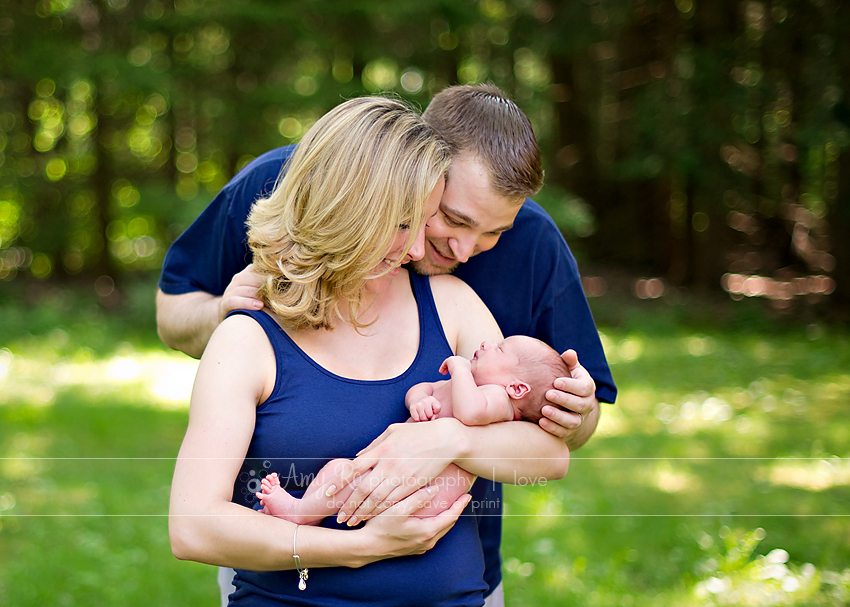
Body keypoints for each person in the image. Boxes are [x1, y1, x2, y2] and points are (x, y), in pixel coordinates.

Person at [158, 83, 617, 606]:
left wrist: (463, 438)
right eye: (428, 220)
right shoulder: (259, 273)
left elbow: (554, 448)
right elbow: (193, 523)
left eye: (491, 234)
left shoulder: (475, 284)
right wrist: (358, 546)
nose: (439, 248)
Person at [253, 335, 569, 527]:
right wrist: (419, 400)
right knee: (340, 471)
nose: (487, 343)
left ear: (516, 387)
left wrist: (459, 367)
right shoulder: (468, 386)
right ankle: (306, 514)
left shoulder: (496, 400)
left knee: (342, 475)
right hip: (405, 480)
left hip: (426, 491)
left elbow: (470, 414)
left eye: (500, 349)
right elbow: (424, 387)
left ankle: (299, 513)